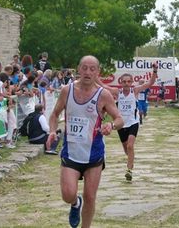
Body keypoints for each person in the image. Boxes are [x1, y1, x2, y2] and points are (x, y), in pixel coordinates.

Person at [46, 55, 124, 228]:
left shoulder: (103, 95)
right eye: (84, 68)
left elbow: (120, 119)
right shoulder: (67, 90)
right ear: (78, 69)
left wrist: (111, 125)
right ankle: (75, 203)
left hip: (93, 154)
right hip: (71, 152)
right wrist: (52, 131)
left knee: (90, 196)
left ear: (98, 72)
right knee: (67, 194)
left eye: (92, 69)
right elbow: (54, 114)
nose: (88, 72)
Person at [96, 63, 158, 182]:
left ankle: (129, 170)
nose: (126, 84)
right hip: (121, 124)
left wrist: (154, 70)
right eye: (124, 82)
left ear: (131, 82)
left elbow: (150, 83)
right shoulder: (117, 92)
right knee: (126, 149)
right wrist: (95, 76)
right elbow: (103, 86)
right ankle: (131, 158)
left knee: (130, 145)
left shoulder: (135, 91)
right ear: (121, 82)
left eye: (128, 81)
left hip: (133, 123)